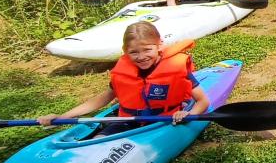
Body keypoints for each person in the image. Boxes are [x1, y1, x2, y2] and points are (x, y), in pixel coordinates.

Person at [37, 22, 210, 131]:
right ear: (125, 51)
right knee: (98, 141)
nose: (141, 57)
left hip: (164, 121)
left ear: (159, 46)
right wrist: (63, 116)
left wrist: (189, 114)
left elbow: (203, 101)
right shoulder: (124, 71)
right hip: (129, 120)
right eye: (134, 52)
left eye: (147, 50)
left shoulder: (175, 67)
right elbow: (99, 100)